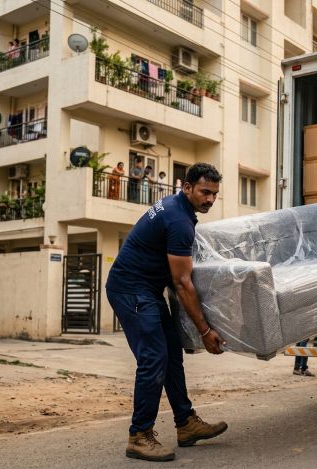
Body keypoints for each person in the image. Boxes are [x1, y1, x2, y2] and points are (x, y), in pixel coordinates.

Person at [106, 163, 228, 462]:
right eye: (205, 192)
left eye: (214, 194)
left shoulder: (178, 208)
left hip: (147, 290)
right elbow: (182, 282)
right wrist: (205, 330)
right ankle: (139, 436)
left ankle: (185, 424)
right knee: (154, 358)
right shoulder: (178, 220)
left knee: (172, 353)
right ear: (187, 187)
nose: (210, 199)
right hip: (130, 290)